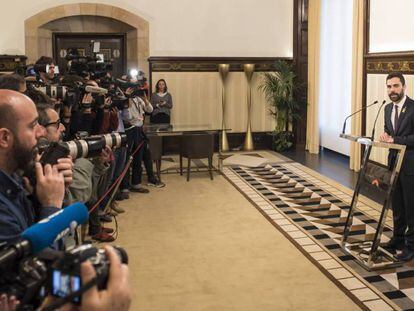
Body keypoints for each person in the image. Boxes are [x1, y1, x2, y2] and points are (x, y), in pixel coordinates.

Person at [0, 90, 65, 244]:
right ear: (4, 138)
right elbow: (41, 265)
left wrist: (39, 194)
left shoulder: (14, 177)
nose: (41, 132)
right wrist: (51, 206)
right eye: (33, 125)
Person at [380, 72, 414, 261]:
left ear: (403, 87)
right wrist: (385, 137)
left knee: (411, 208)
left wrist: (396, 139)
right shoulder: (386, 109)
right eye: (389, 87)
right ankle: (398, 239)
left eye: (395, 86)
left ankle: (411, 246)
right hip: (394, 164)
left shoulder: (413, 108)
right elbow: (389, 131)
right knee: (398, 206)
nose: (392, 90)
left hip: (411, 166)